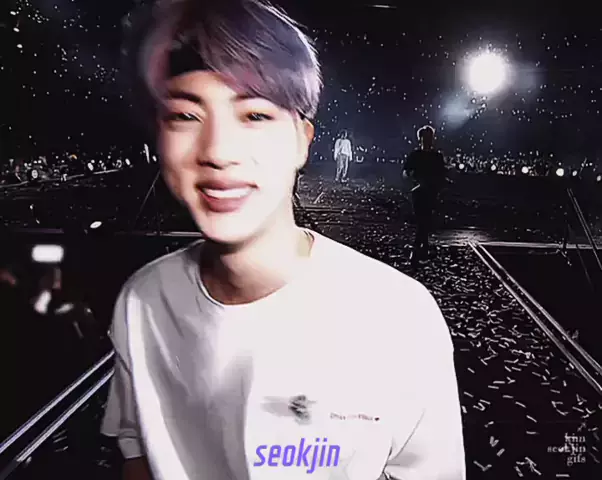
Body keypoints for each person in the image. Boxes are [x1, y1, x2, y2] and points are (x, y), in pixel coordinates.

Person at [101, 1, 465, 480]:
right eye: (186, 115)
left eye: (254, 115)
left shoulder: (400, 317)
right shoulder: (142, 302)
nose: (218, 151)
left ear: (302, 140)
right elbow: (138, 454)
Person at [403, 125, 447, 267]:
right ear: (420, 139)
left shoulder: (437, 156)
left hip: (431, 192)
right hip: (418, 191)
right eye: (425, 137)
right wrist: (412, 177)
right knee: (423, 220)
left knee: (424, 220)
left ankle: (419, 249)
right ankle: (421, 247)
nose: (428, 140)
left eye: (430, 137)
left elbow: (442, 174)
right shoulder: (415, 155)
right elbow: (405, 172)